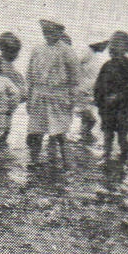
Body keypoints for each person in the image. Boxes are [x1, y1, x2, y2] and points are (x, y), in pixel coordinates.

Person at [25, 18, 79, 166]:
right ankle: (33, 161)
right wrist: (29, 98)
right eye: (45, 31)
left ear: (60, 32)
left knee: (60, 133)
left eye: (51, 31)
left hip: (59, 97)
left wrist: (72, 102)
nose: (47, 35)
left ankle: (68, 165)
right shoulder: (37, 49)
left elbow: (74, 80)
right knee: (36, 132)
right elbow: (29, 75)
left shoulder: (68, 52)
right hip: (39, 96)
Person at [94, 31, 128, 162]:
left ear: (126, 47)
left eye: (118, 44)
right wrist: (99, 101)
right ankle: (106, 156)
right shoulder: (107, 65)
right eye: (112, 44)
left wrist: (118, 96)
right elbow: (98, 86)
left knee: (122, 136)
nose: (113, 47)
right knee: (107, 134)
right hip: (107, 107)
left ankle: (125, 158)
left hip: (123, 107)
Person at [73, 37, 106, 143]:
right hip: (82, 91)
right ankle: (84, 136)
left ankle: (83, 137)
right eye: (104, 44)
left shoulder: (93, 54)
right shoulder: (87, 52)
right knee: (90, 119)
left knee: (87, 119)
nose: (106, 47)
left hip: (88, 92)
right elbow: (74, 66)